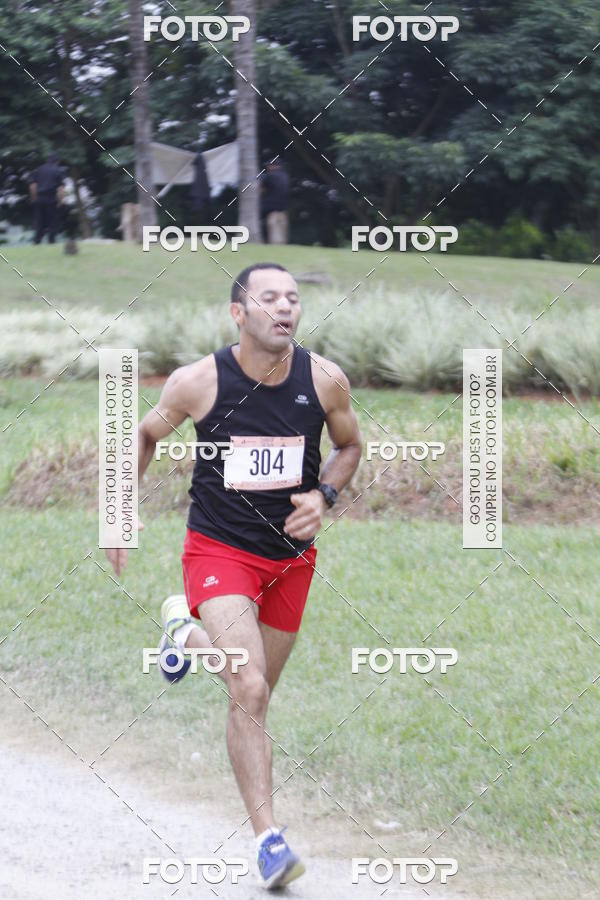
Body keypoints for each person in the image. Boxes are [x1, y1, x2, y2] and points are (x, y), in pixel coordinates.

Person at [106, 262, 362, 890]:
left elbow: (350, 446)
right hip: (218, 551)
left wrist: (324, 495)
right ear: (238, 312)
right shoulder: (198, 382)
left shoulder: (324, 379)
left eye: (293, 299)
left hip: (290, 560)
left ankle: (181, 635)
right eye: (268, 298)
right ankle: (269, 842)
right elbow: (142, 434)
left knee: (254, 698)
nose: (284, 308)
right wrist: (118, 513)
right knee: (246, 686)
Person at [29, 153, 65, 244]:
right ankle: (51, 242)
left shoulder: (39, 169)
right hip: (51, 199)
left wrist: (34, 198)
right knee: (52, 222)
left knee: (39, 221)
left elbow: (32, 186)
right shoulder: (58, 170)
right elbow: (61, 189)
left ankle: (37, 242)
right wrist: (60, 202)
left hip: (39, 199)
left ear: (48, 160)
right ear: (58, 161)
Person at [260, 161, 290, 244]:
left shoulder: (269, 176)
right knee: (282, 231)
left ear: (273, 166)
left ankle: (274, 244)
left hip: (270, 209)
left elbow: (261, 190)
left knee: (273, 230)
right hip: (283, 209)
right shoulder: (285, 176)